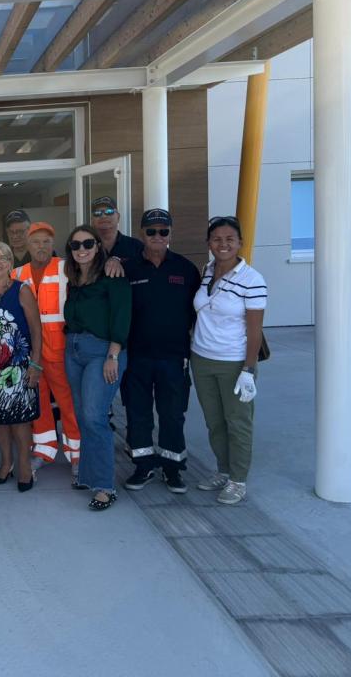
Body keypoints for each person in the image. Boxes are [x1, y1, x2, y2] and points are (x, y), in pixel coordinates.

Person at [121, 209, 200, 495]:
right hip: (136, 357)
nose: (157, 236)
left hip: (174, 357)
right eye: (151, 231)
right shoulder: (127, 269)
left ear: (170, 234)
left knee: (172, 414)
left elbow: (198, 311)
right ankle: (143, 466)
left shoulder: (186, 269)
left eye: (163, 231)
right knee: (137, 413)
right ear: (141, 233)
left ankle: (172, 468)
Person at [190, 216, 267, 506]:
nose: (223, 244)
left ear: (240, 243)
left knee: (238, 423)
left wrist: (248, 369)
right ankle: (223, 471)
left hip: (234, 362)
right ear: (209, 243)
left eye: (229, 239)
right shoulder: (207, 271)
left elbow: (255, 330)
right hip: (202, 358)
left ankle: (238, 480)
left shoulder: (252, 280)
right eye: (217, 239)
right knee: (214, 422)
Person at [63, 225, 132, 511]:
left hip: (102, 352)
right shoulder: (73, 279)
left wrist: (113, 355)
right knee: (83, 417)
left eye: (88, 243)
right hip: (73, 351)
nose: (81, 249)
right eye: (75, 245)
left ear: (98, 246)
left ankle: (105, 486)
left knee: (94, 417)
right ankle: (89, 476)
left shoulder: (112, 275)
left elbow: (122, 316)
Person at [11, 223, 81, 472]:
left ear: (53, 244)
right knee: (37, 403)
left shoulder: (66, 267)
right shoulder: (16, 274)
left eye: (46, 242)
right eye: (36, 242)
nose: (41, 246)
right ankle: (43, 450)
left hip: (60, 350)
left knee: (68, 403)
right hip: (30, 352)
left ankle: (77, 455)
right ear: (27, 245)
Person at [0, 241, 42, 492]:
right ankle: (6, 463)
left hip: (19, 365)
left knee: (20, 420)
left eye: (3, 257)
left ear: (10, 263)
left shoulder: (22, 290)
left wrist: (35, 364)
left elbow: (36, 330)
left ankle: (24, 466)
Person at [91, 197, 143, 273]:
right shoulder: (86, 247)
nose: (103, 216)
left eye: (109, 211)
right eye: (97, 213)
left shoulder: (136, 247)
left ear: (118, 217)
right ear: (92, 220)